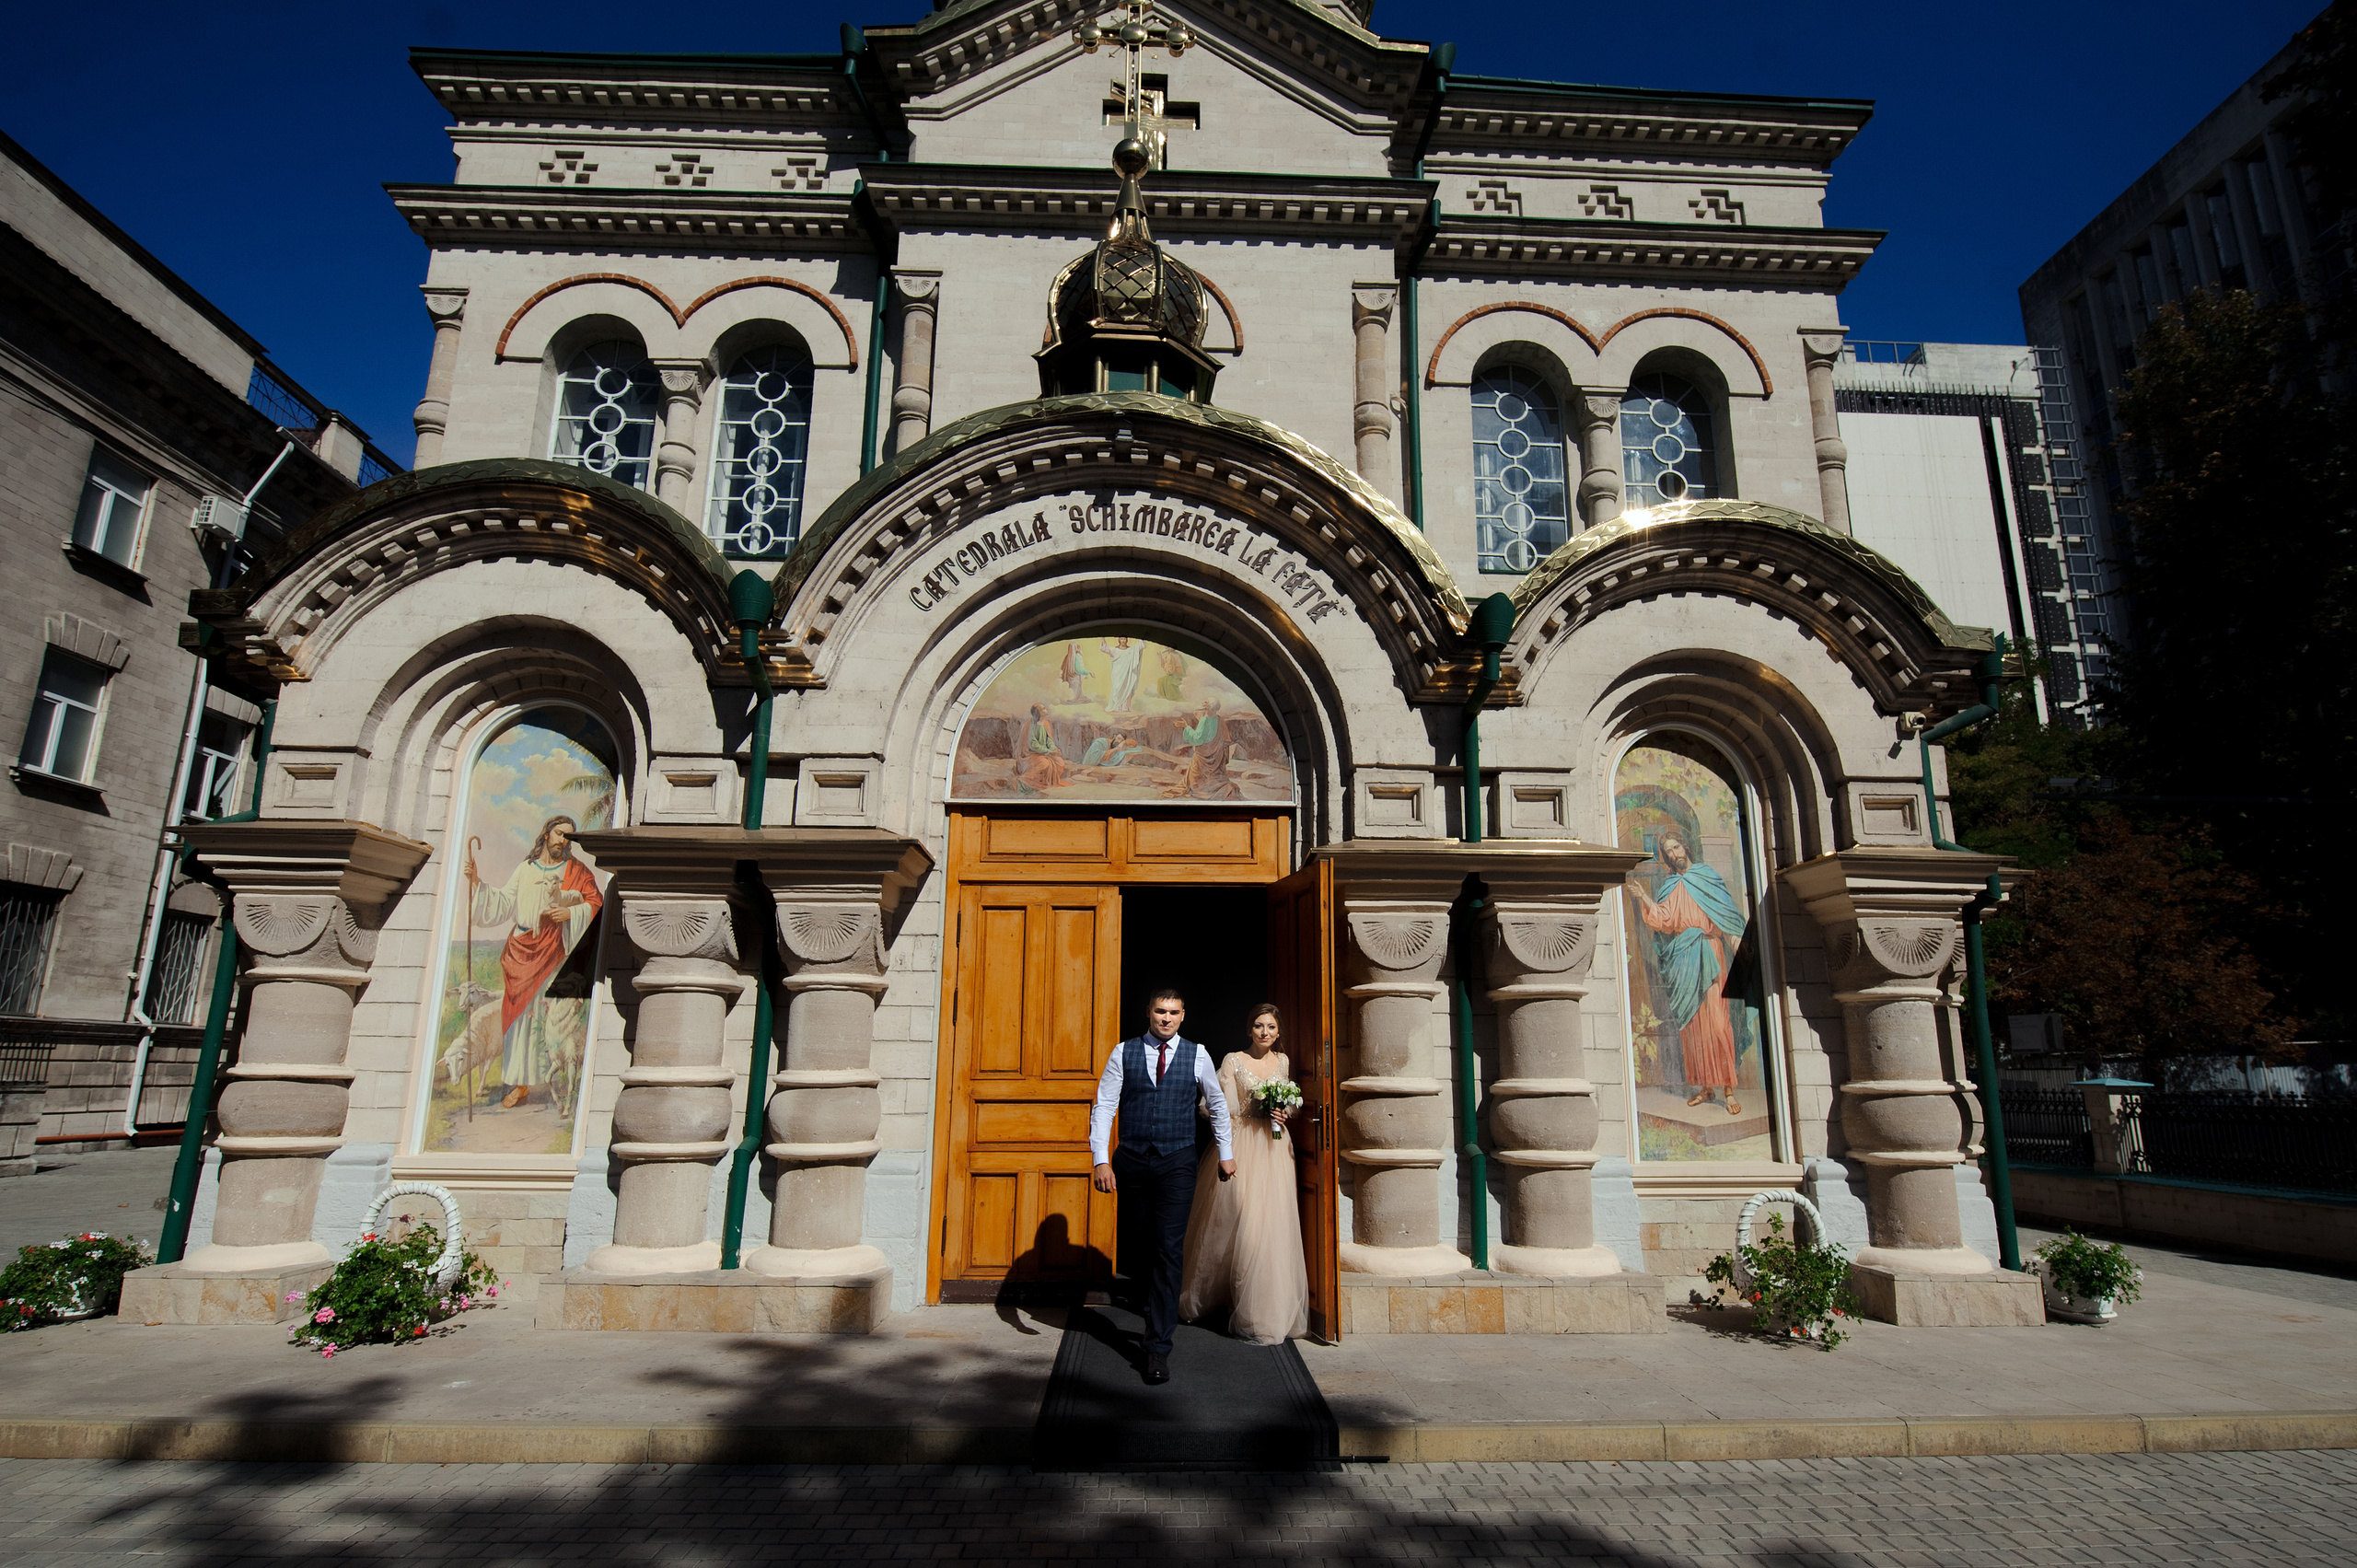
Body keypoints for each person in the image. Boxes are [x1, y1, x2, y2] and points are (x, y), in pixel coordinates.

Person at [1090, 988, 1234, 1385]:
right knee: (1139, 1246)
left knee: (1168, 1249)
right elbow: (1104, 1106)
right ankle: (1150, 1302)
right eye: (1159, 1011)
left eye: (1173, 1012)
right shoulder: (1124, 1052)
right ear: (1149, 1013)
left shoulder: (1197, 1054)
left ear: (1183, 1016)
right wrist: (1101, 1158)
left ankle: (1157, 1349)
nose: (1166, 1018)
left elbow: (1217, 1104)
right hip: (1132, 1160)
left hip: (1177, 1161)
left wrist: (1226, 1152)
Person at [1179, 1003, 1309, 1342]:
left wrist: (1285, 1111)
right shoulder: (1233, 1060)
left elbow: (1294, 1103)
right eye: (1258, 1026)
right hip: (1243, 1146)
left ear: (1279, 1032)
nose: (1265, 1032)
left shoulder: (1282, 1062)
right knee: (1239, 1223)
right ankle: (1215, 1297)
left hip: (1276, 1150)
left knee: (1272, 1226)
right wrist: (1245, 1119)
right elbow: (1214, 1106)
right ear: (1248, 1029)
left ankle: (1263, 1311)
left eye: (1271, 1027)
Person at [465, 815, 603, 1109]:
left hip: (554, 950)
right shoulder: (525, 869)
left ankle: (552, 1080)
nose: (562, 841)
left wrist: (571, 914)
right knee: (517, 1020)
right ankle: (520, 1084)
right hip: (520, 951)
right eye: (558, 833)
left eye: (568, 836)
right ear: (546, 834)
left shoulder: (576, 871)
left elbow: (595, 906)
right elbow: (503, 902)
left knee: (546, 1018)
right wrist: (477, 882)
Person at [1628, 829, 1747, 1118]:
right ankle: (1706, 1088)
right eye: (1668, 851)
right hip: (1684, 958)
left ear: (1686, 847)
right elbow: (1664, 922)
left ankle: (1728, 1088)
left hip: (1710, 951)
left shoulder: (1706, 876)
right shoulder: (1670, 886)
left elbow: (1725, 915)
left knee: (1718, 1024)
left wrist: (1736, 942)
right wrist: (1645, 897)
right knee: (1694, 1028)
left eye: (1676, 847)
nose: (1673, 854)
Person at [1017, 703, 1069, 791]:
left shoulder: (1046, 723)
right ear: (1038, 712)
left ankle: (1043, 781)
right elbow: (1033, 745)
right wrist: (1048, 752)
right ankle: (1025, 780)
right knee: (1044, 763)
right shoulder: (1030, 725)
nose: (1047, 710)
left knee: (1060, 762)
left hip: (1045, 753)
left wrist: (1054, 749)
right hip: (1031, 754)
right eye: (1044, 709)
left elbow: (1049, 739)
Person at [1101, 634, 1144, 713]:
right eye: (1121, 639)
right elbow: (1105, 649)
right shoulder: (1115, 650)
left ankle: (1125, 708)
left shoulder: (1131, 650)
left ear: (1127, 640)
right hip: (1117, 674)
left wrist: (1142, 636)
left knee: (1127, 688)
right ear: (1119, 640)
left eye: (1124, 639)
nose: (1123, 641)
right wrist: (1103, 638)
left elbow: (1140, 646)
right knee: (1117, 688)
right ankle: (1117, 708)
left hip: (1127, 674)